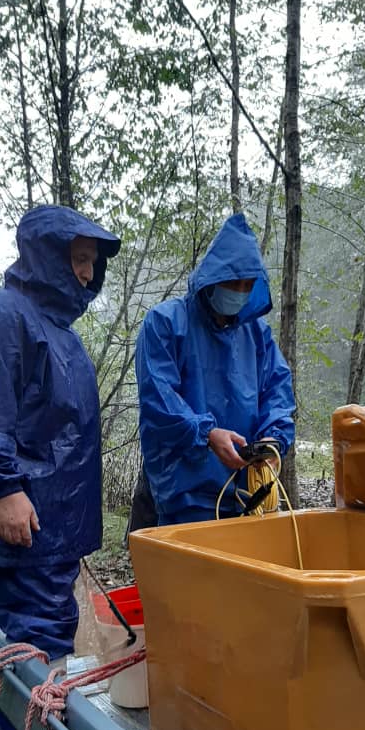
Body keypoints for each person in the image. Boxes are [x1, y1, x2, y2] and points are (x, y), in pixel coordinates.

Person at [0, 204, 120, 662]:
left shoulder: (60, 332)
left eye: (92, 263)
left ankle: (43, 713)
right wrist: (5, 488)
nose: (87, 273)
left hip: (56, 524)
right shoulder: (3, 316)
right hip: (24, 522)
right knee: (35, 641)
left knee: (50, 634)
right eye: (79, 259)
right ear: (47, 257)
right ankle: (34, 726)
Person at [134, 212, 295, 525]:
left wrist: (274, 441)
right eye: (232, 282)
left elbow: (277, 392)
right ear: (212, 277)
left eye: (247, 285)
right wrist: (206, 434)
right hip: (183, 496)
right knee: (184, 575)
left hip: (246, 499)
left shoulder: (256, 334)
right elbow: (159, 399)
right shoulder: (166, 323)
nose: (239, 291)